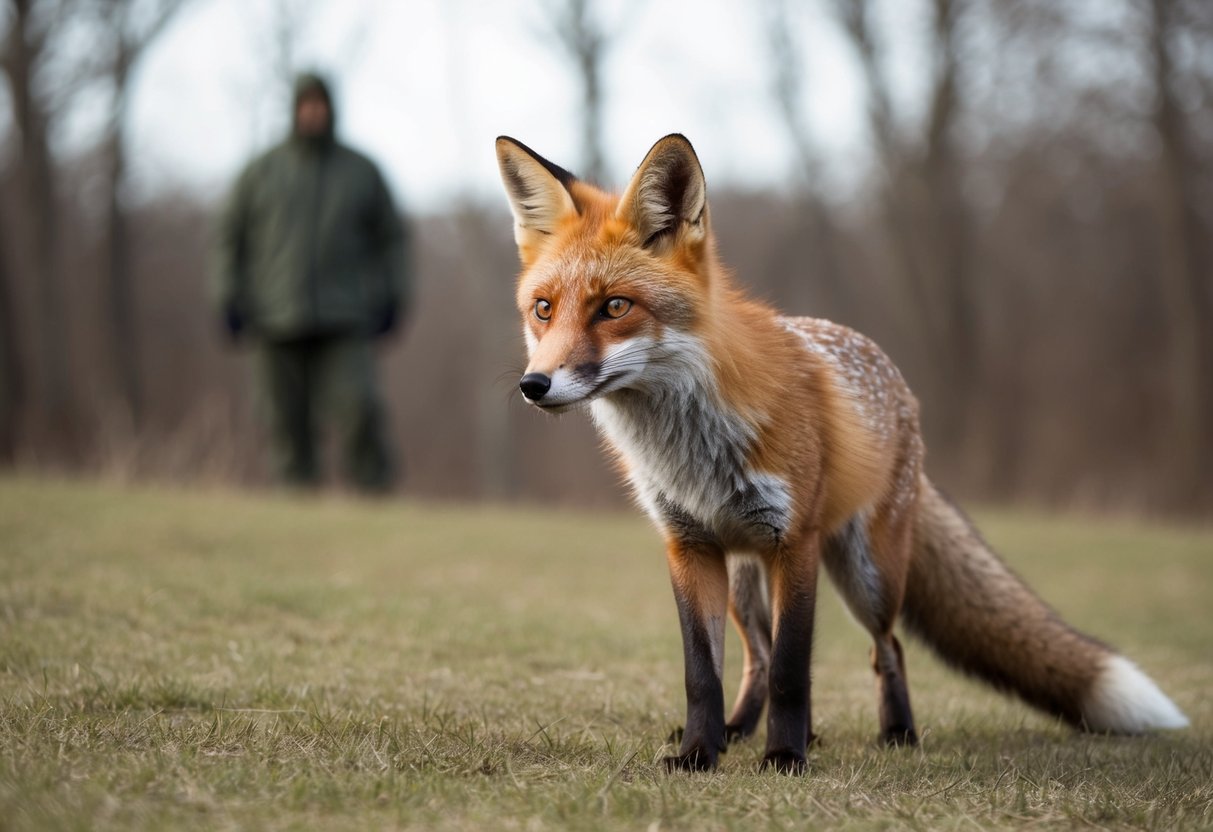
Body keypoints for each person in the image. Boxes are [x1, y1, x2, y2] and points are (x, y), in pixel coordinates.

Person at [213, 72, 408, 492]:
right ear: (295, 109)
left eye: (320, 104)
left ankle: (376, 500)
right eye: (306, 104)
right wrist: (228, 298)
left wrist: (394, 296)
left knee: (359, 409)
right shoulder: (262, 172)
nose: (313, 112)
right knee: (284, 421)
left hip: (346, 315)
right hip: (275, 315)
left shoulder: (361, 172)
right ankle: (297, 505)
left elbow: (393, 239)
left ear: (331, 109)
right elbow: (229, 237)